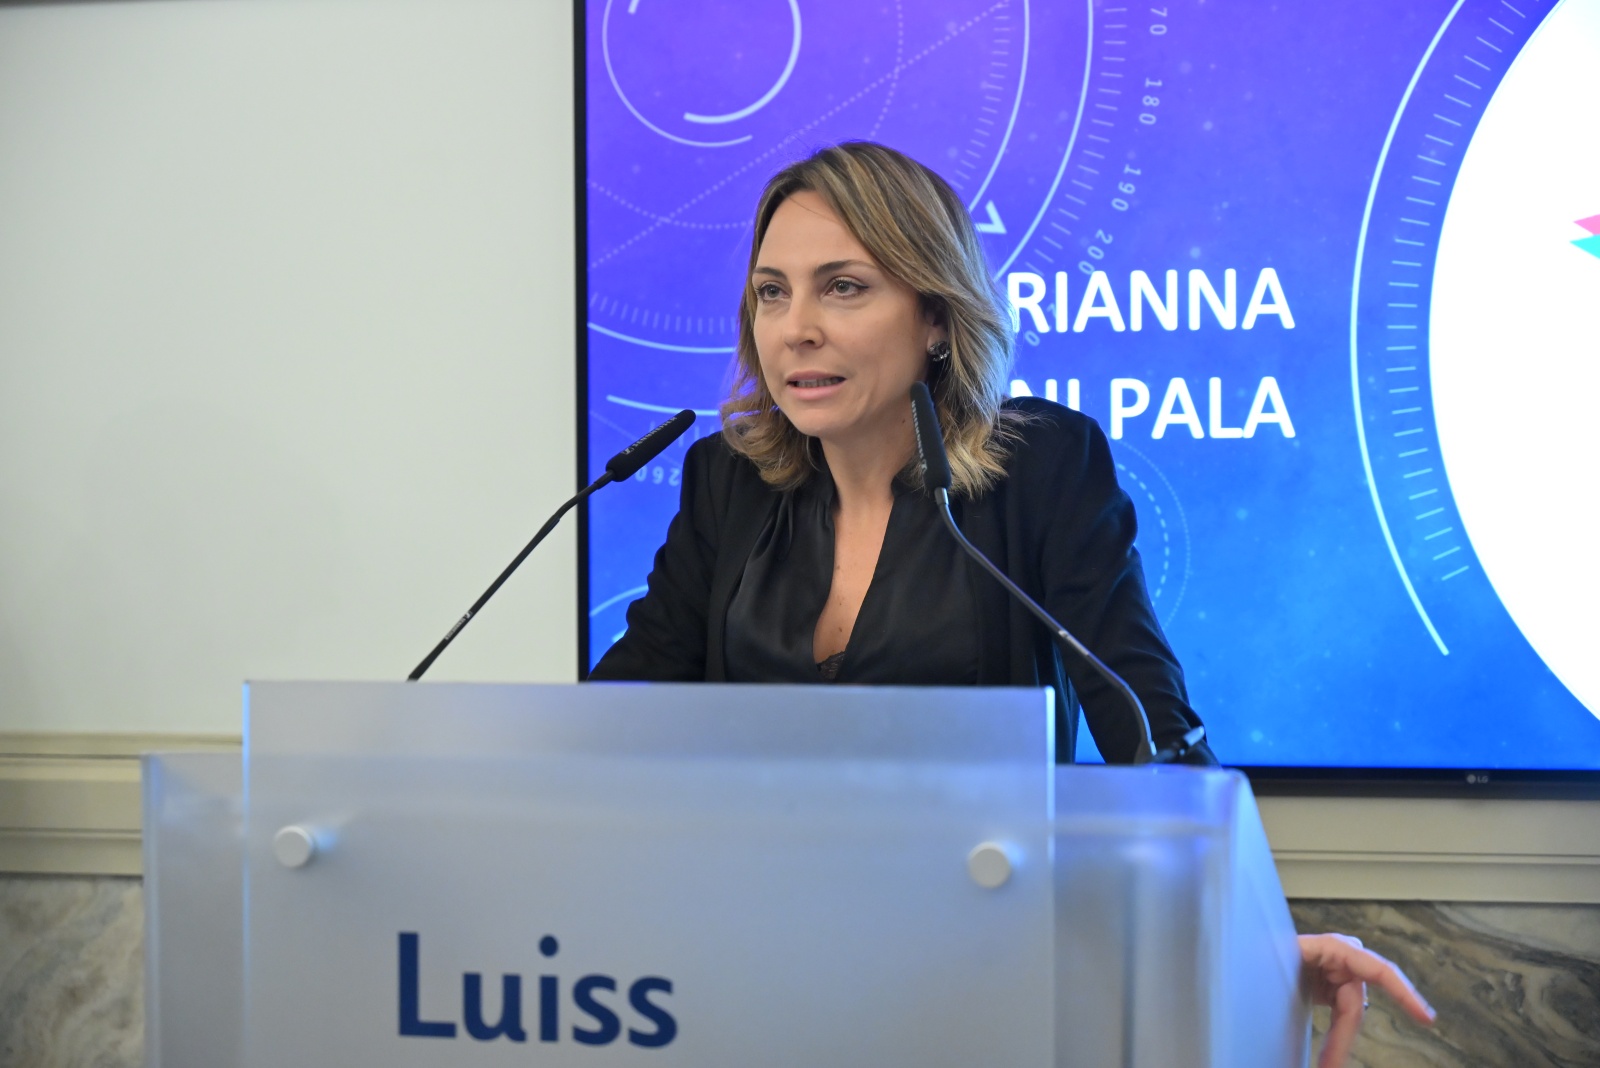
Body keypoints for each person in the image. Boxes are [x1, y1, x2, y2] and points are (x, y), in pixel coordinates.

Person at [588, 141, 1435, 1065]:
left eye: (843, 288)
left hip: (976, 983)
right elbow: (622, 719)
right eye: (771, 293)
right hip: (747, 974)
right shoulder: (728, 481)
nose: (796, 329)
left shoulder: (1041, 470)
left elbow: (1146, 723)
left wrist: (1254, 942)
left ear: (936, 317)